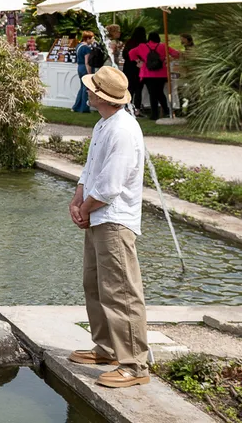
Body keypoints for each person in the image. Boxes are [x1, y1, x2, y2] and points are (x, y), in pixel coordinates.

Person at [67, 66, 150, 388]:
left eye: (91, 88)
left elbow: (111, 185)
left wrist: (85, 208)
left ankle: (134, 365)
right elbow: (90, 170)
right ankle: (105, 348)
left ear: (101, 96)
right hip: (98, 216)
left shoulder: (123, 130)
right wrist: (77, 199)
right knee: (95, 285)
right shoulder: (105, 124)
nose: (86, 91)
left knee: (121, 292)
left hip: (114, 220)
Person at [129, 32, 180, 120]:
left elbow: (131, 53)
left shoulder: (142, 46)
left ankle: (154, 114)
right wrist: (167, 59)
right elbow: (176, 54)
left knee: (152, 94)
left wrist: (138, 61)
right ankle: (166, 111)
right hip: (161, 73)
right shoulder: (163, 46)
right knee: (160, 93)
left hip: (147, 73)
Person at [122, 26, 146, 111]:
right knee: (138, 89)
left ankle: (128, 106)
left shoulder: (129, 42)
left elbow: (124, 55)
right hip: (140, 68)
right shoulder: (144, 44)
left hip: (128, 67)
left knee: (129, 88)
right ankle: (137, 108)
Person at [72, 31, 95, 114]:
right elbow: (87, 61)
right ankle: (84, 108)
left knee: (82, 87)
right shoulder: (86, 48)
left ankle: (76, 106)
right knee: (86, 88)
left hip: (80, 67)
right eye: (92, 38)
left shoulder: (78, 46)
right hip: (85, 68)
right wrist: (89, 73)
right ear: (88, 38)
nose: (93, 40)